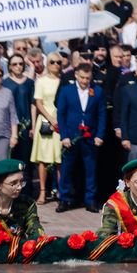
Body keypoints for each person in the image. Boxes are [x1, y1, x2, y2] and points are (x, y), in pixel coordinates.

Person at [55, 63, 104, 213]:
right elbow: (61, 114)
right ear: (76, 75)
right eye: (82, 77)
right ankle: (64, 199)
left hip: (90, 136)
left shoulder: (97, 91)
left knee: (91, 169)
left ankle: (90, 200)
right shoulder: (66, 90)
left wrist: (100, 135)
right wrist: (64, 135)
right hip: (71, 136)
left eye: (87, 78)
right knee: (67, 168)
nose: (84, 81)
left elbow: (101, 114)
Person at [30, 52, 64, 202]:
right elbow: (38, 102)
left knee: (59, 159)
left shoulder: (64, 81)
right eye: (52, 62)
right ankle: (43, 191)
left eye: (59, 62)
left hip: (62, 121)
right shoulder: (41, 81)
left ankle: (62, 191)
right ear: (47, 63)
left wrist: (59, 120)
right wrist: (51, 119)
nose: (56, 65)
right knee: (43, 159)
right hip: (45, 121)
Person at [6, 52, 35, 164]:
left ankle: (27, 182)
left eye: (20, 63)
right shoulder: (5, 83)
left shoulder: (29, 83)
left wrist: (32, 126)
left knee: (26, 159)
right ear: (9, 66)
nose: (18, 66)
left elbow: (33, 105)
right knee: (12, 157)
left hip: (26, 125)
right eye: (14, 64)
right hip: (9, 125)